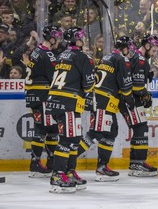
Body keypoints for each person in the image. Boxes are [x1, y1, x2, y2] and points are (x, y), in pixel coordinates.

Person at [45, 27, 96, 194]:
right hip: (69, 102)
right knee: (68, 139)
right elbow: (88, 84)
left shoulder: (61, 55)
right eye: (81, 38)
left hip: (59, 100)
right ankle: (58, 175)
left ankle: (69, 172)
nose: (84, 40)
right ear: (77, 40)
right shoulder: (81, 56)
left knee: (73, 138)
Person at [77, 36, 134, 182]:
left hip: (103, 100)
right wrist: (129, 99)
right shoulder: (121, 59)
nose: (130, 51)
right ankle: (67, 160)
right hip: (104, 100)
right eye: (129, 48)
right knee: (95, 133)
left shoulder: (106, 57)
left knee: (111, 131)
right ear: (125, 48)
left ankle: (102, 167)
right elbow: (125, 83)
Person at [25, 25, 62, 178]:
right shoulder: (48, 54)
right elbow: (55, 77)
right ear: (51, 37)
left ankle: (50, 161)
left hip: (34, 94)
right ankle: (35, 163)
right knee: (43, 129)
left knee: (52, 128)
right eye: (56, 37)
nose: (58, 40)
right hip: (44, 96)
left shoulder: (35, 51)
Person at [124, 33, 158, 177]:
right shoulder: (140, 60)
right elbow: (137, 87)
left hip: (128, 98)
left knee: (138, 128)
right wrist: (146, 95)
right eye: (153, 49)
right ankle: (138, 164)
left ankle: (135, 163)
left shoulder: (134, 56)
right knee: (141, 128)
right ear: (147, 45)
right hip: (132, 100)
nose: (154, 52)